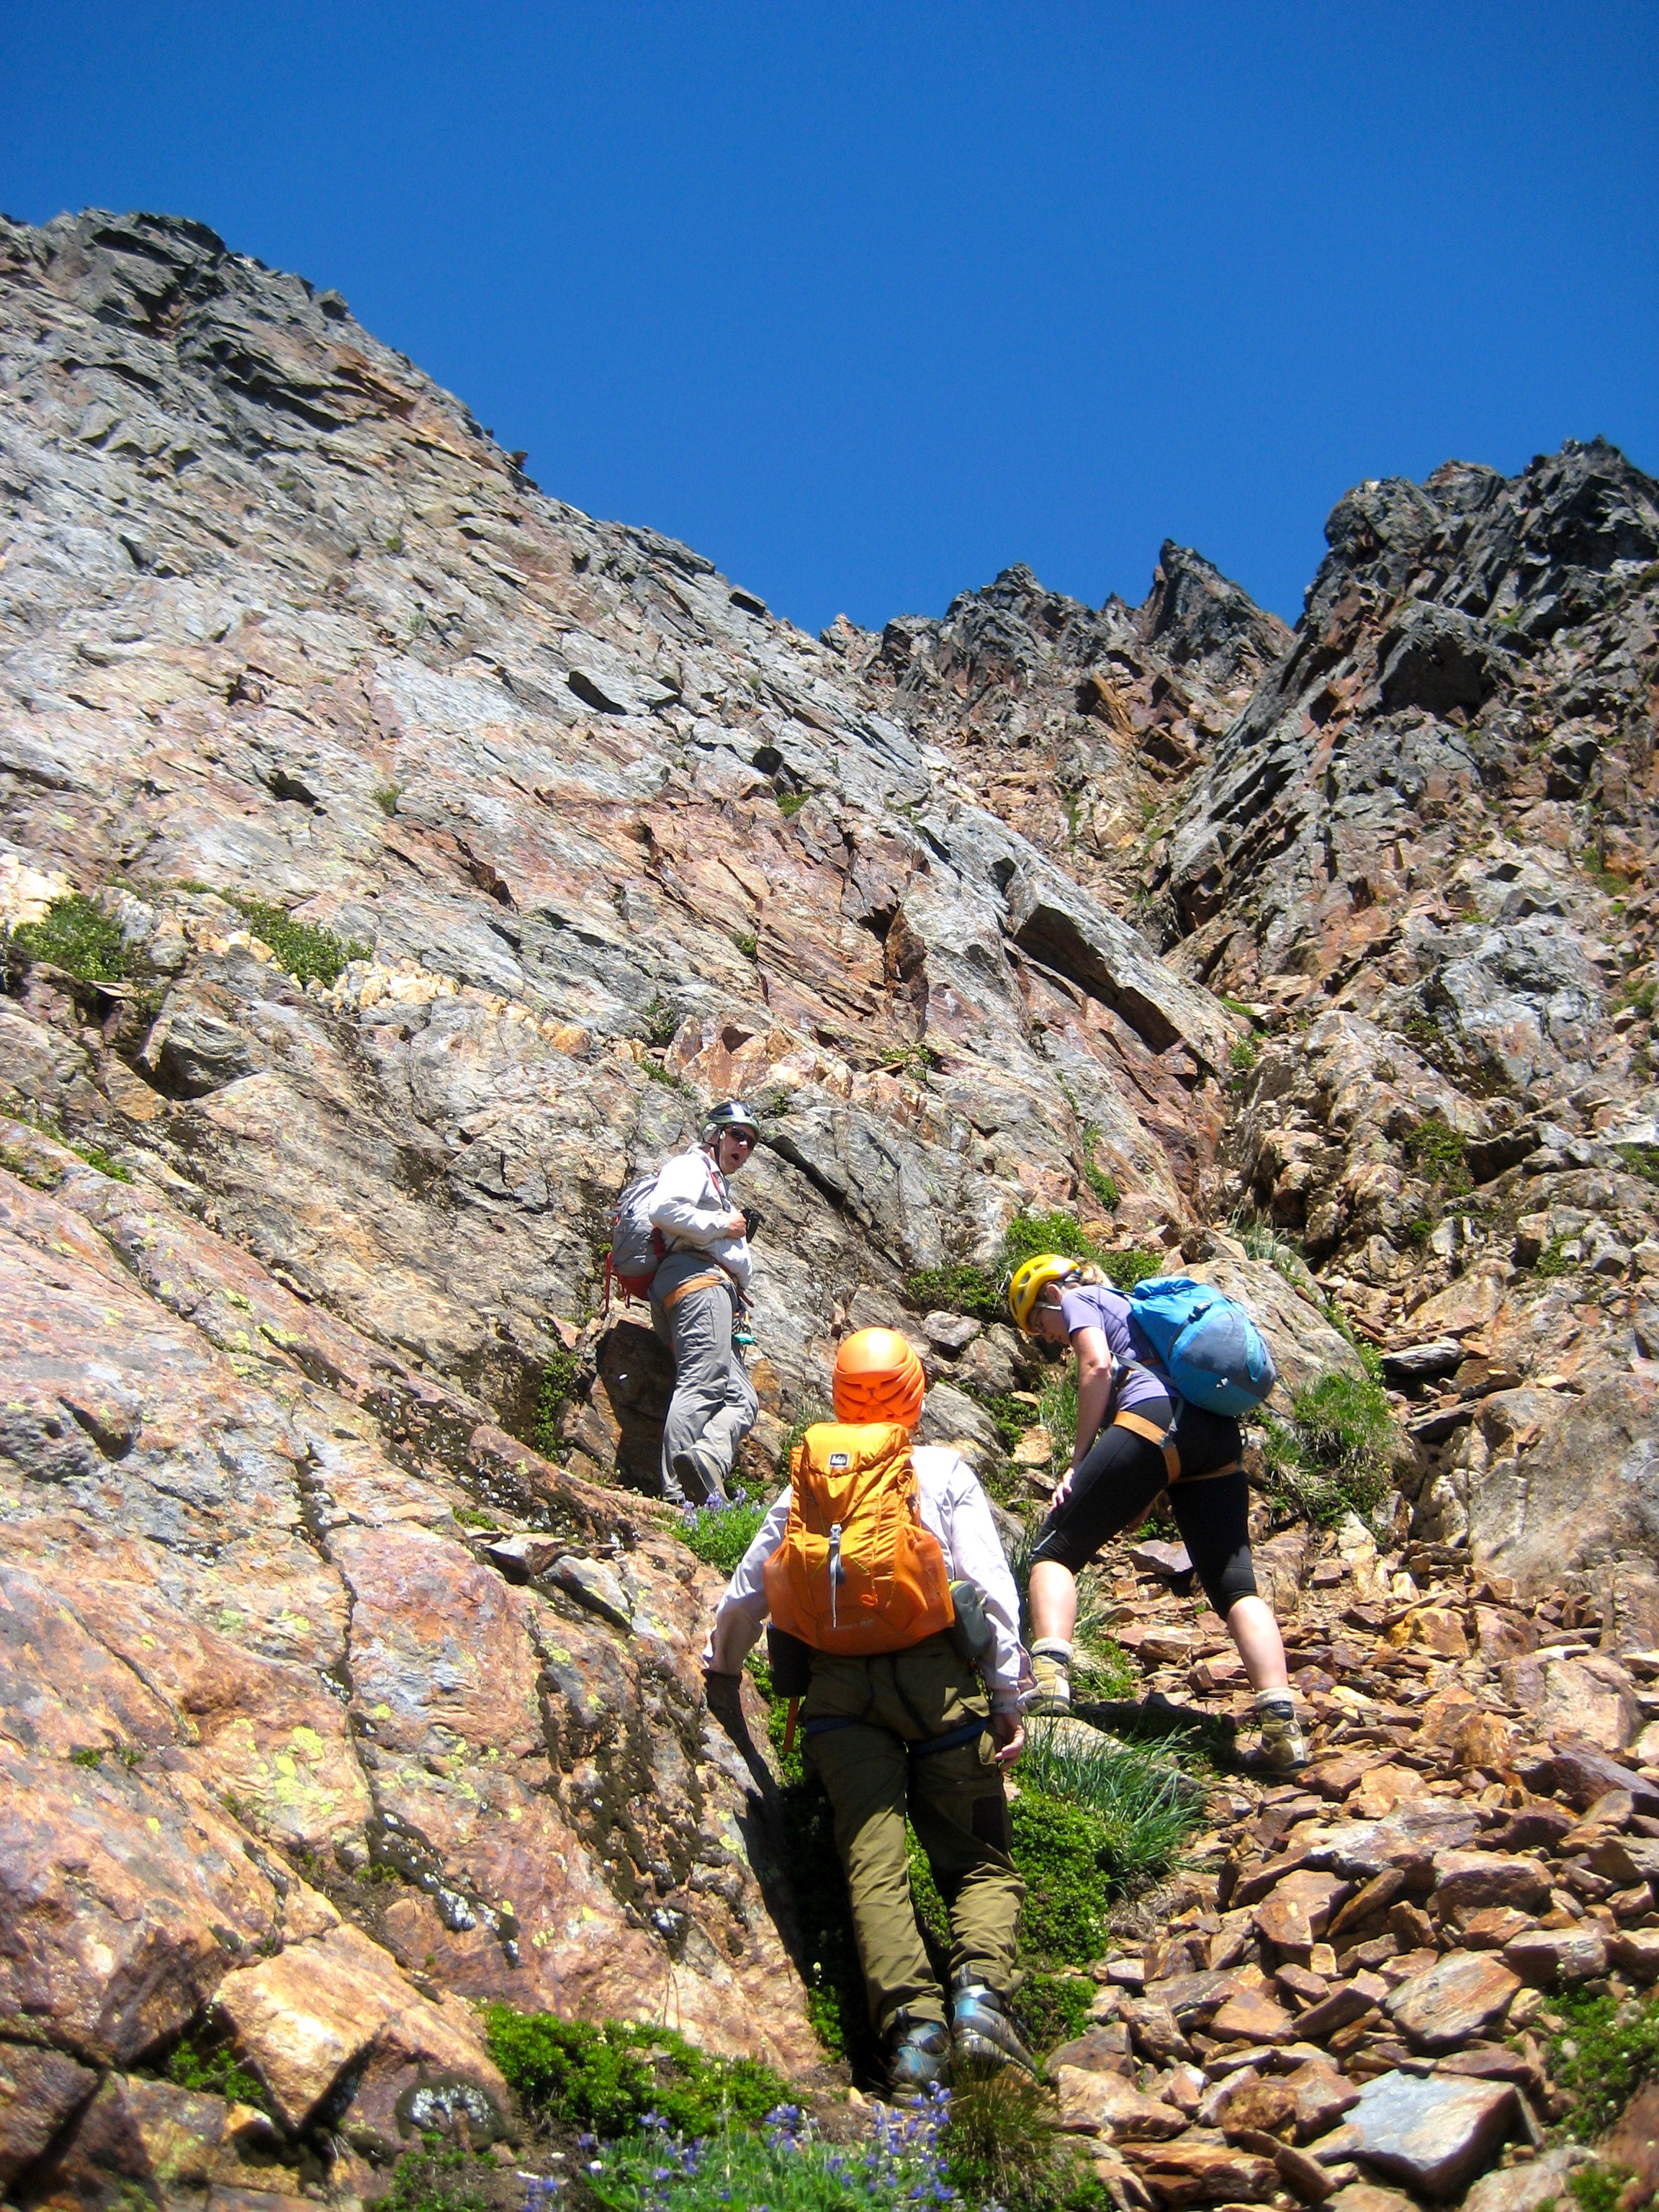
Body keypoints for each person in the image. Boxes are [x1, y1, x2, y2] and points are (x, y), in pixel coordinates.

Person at [703, 1327, 1030, 2092]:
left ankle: (914, 2034)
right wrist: (1010, 1695)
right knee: (977, 1858)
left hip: (839, 1698)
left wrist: (722, 1665)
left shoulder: (810, 1481)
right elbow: (988, 1591)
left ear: (837, 1393)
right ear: (916, 1395)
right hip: (942, 1685)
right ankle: (982, 2001)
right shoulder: (943, 1471)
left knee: (872, 1861)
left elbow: (753, 1586)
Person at [1007, 1254, 1308, 1773]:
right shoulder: (1137, 1312)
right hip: (1214, 1437)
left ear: (1052, 1294)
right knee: (1236, 1587)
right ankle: (1283, 1728)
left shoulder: (1080, 1299)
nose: (1048, 1337)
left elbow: (1097, 1367)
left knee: (1054, 1550)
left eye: (1040, 1323)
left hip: (1152, 1417)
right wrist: (1138, 1495)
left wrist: (1077, 1464)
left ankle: (1051, 1687)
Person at [647, 1100, 761, 1505]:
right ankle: (679, 1497)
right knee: (702, 1383)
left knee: (743, 1400)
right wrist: (722, 1225)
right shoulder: (691, 1166)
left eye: (750, 1143)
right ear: (714, 1135)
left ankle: (704, 1462)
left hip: (715, 1291)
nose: (744, 1148)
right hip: (696, 1282)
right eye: (738, 1136)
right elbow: (662, 1210)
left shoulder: (717, 1184)